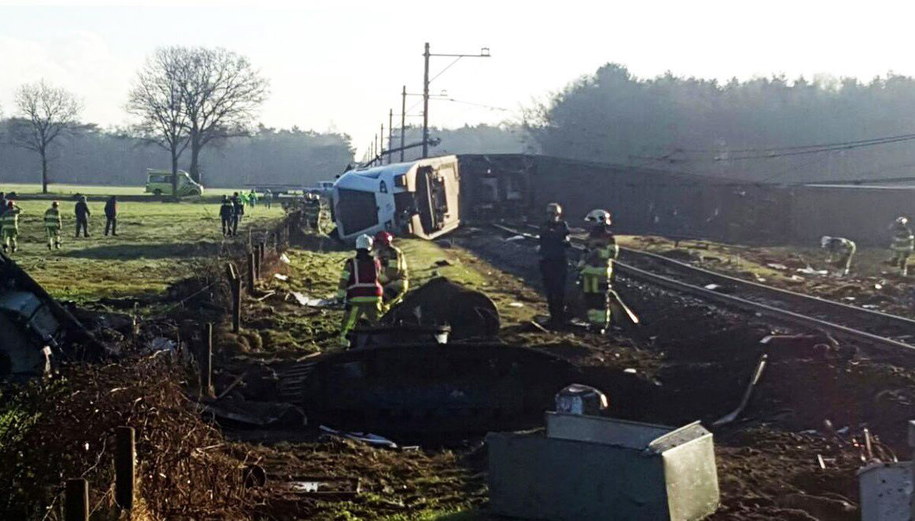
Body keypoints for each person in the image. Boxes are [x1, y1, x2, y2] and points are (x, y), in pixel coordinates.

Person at [337, 234, 383, 347]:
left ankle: (345, 344)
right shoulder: (376, 262)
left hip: (357, 297)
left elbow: (343, 281)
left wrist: (340, 298)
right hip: (375, 297)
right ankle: (381, 342)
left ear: (357, 247)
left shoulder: (351, 263)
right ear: (370, 247)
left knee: (349, 324)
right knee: (377, 322)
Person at [578, 209, 617, 333]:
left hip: (601, 275)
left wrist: (598, 252)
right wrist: (582, 264)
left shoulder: (609, 237)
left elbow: (612, 253)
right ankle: (592, 323)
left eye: (592, 221)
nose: (590, 224)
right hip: (589, 275)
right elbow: (584, 252)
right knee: (590, 299)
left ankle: (600, 326)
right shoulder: (589, 237)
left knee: (600, 301)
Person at [539, 203, 571, 328]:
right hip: (547, 261)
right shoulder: (544, 226)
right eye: (550, 214)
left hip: (559, 261)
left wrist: (561, 238)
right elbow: (548, 237)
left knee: (560, 290)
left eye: (554, 214)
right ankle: (554, 315)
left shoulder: (563, 225)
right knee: (550, 290)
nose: (552, 217)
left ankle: (559, 316)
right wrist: (559, 237)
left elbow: (566, 239)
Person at [374, 231, 409, 310]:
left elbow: (393, 272)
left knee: (379, 305)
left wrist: (378, 280)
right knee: (395, 308)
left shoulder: (393, 252)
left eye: (377, 242)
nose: (375, 244)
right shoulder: (380, 253)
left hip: (395, 285)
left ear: (382, 242)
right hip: (389, 285)